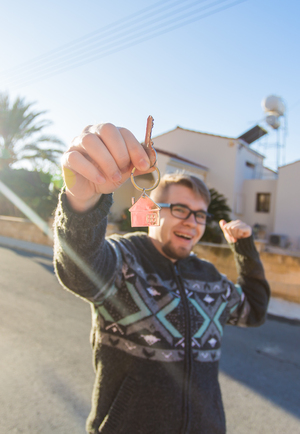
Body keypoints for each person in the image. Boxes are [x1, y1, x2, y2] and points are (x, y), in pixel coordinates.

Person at [53, 122, 270, 434]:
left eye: (199, 214)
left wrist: (245, 249)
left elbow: (254, 312)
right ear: (152, 209)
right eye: (181, 209)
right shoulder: (124, 260)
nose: (192, 222)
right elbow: (80, 270)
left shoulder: (210, 277)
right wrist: (83, 206)